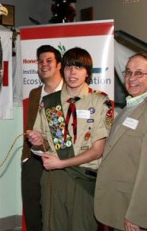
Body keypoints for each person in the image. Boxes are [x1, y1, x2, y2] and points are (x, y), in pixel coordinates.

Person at [27, 47, 114, 231]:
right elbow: (44, 143)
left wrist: (62, 163)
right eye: (68, 67)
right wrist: (37, 141)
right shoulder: (50, 102)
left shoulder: (100, 102)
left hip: (83, 179)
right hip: (54, 179)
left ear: (87, 73)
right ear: (62, 69)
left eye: (79, 67)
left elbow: (98, 150)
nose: (73, 72)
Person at [95, 53, 147, 231]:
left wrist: (138, 215)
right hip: (115, 202)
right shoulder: (130, 106)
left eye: (139, 73)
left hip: (131, 209)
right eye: (128, 72)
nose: (132, 78)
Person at [21, 45, 63, 231]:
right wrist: (26, 158)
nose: (44, 65)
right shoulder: (35, 93)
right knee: (32, 209)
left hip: (60, 159)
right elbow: (30, 125)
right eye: (40, 61)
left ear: (59, 65)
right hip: (34, 158)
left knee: (56, 210)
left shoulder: (70, 93)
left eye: (49, 61)